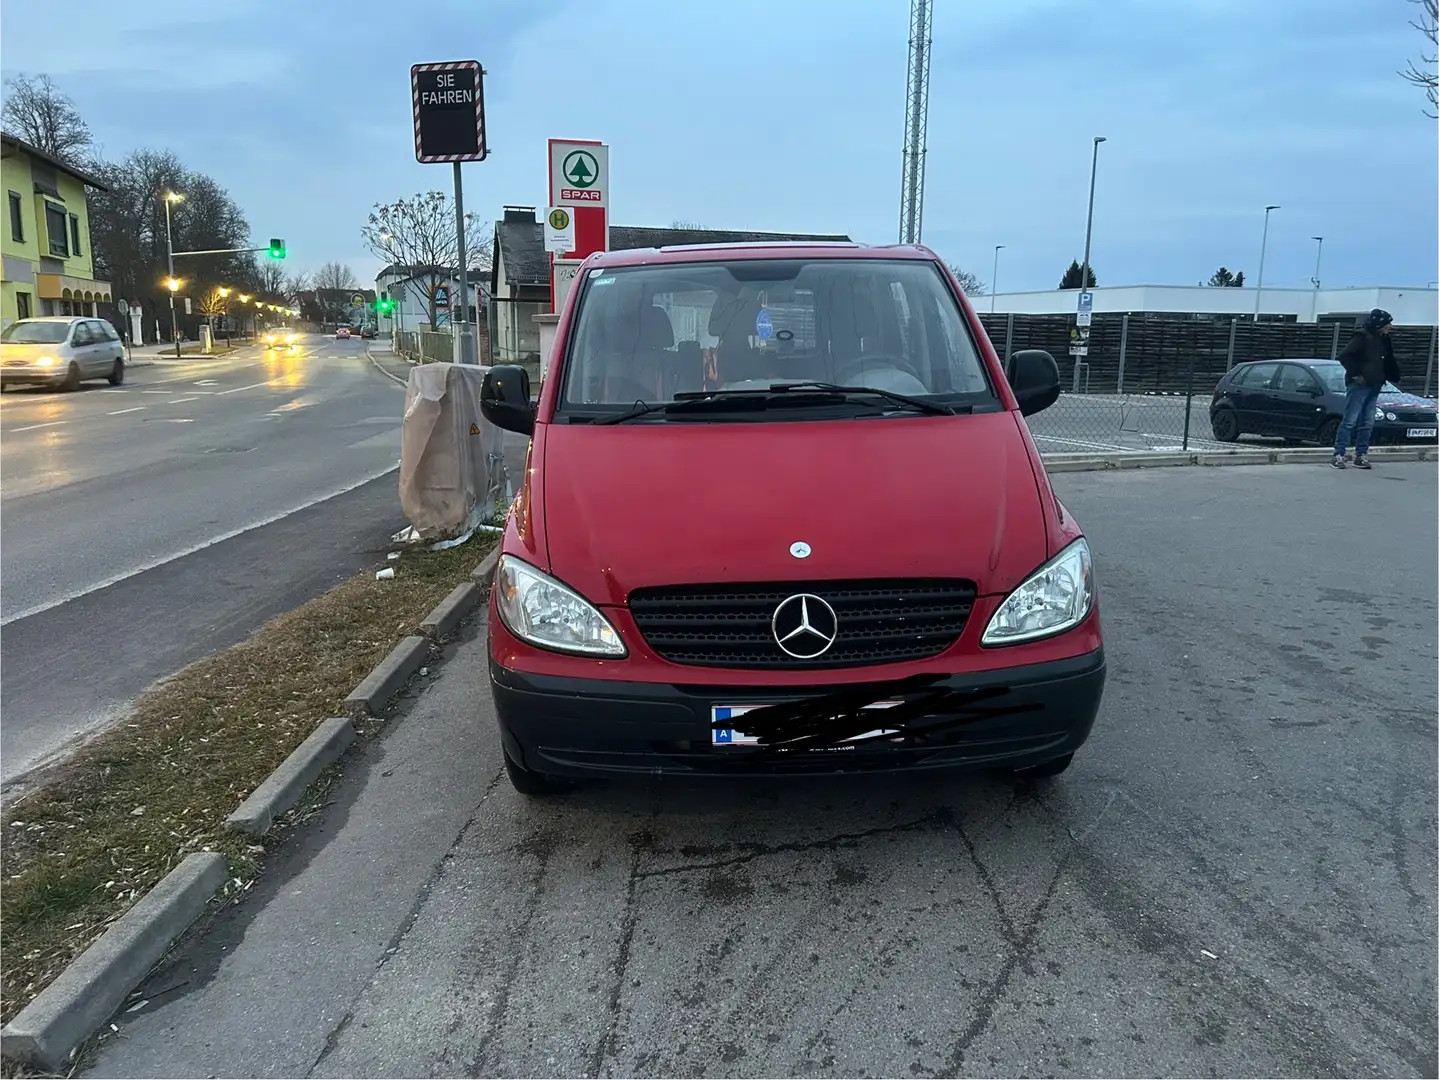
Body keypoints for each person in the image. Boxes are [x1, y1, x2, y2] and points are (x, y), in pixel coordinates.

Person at [1332, 308, 1400, 470]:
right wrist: (1357, 375)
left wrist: (1390, 374)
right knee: (1350, 420)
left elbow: (1386, 358)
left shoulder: (1384, 339)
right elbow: (1344, 356)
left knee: (1368, 422)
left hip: (1375, 384)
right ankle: (1338, 455)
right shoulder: (1362, 337)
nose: (1390, 327)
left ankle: (1360, 455)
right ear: (1380, 324)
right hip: (1360, 385)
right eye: (1388, 323)